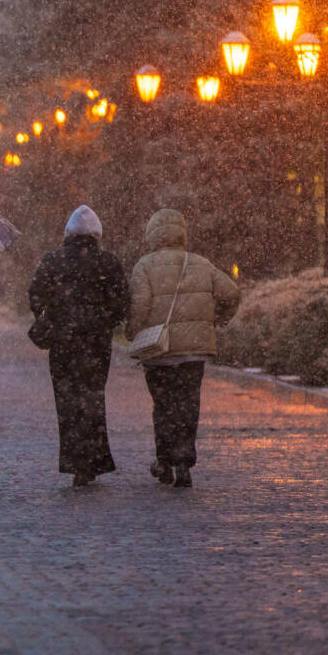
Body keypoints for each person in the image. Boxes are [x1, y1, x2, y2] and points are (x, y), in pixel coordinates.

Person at [127, 209, 239, 488]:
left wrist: (132, 331)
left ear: (152, 233)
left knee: (163, 405)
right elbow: (231, 293)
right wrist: (217, 319)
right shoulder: (201, 263)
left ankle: (164, 461)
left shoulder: (145, 266)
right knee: (188, 404)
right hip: (193, 351)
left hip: (159, 351)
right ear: (182, 232)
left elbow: (139, 305)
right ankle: (184, 461)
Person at [28, 205, 129, 487]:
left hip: (63, 344)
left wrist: (47, 315)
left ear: (68, 233)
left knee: (68, 402)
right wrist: (106, 319)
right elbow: (121, 302)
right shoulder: (107, 262)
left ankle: (75, 463)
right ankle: (94, 460)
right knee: (94, 398)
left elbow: (35, 293)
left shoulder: (53, 260)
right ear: (97, 233)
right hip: (97, 343)